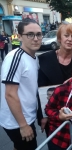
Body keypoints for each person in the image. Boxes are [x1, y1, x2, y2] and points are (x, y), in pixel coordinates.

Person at [0, 18, 42, 150]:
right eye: (30, 34)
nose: (35, 38)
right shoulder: (15, 57)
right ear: (19, 37)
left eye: (39, 34)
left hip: (26, 117)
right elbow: (10, 94)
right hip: (17, 122)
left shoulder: (33, 58)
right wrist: (23, 125)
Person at [37, 23, 72, 137]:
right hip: (52, 113)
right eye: (66, 35)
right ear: (59, 38)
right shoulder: (45, 58)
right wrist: (42, 116)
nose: (69, 39)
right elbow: (40, 89)